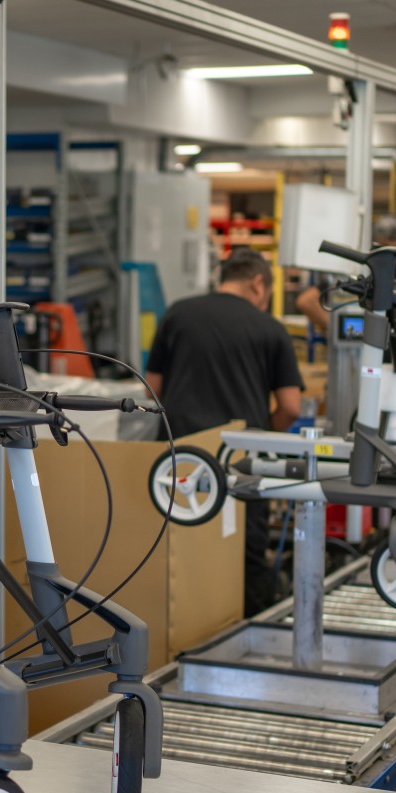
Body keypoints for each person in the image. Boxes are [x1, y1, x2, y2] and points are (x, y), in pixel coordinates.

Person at [145, 247, 303, 617]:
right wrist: (265, 435)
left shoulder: (178, 313)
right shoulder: (271, 329)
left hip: (179, 462)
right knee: (244, 554)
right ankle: (247, 635)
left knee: (178, 551)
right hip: (241, 461)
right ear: (258, 283)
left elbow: (150, 389)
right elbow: (292, 406)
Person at [295, 214, 396, 335]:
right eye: (387, 245)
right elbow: (305, 302)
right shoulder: (358, 271)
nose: (393, 255)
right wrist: (340, 329)